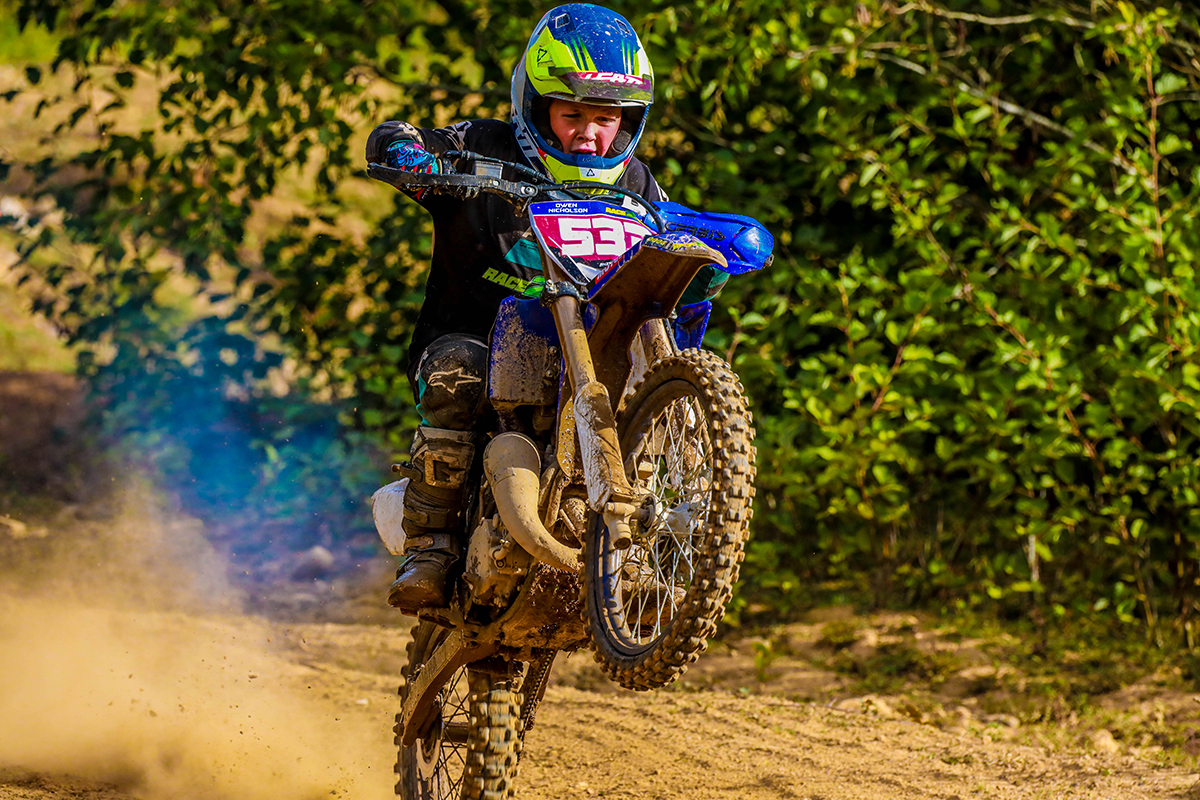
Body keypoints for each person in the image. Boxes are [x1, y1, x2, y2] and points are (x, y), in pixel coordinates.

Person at [365, 4, 719, 613]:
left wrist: (704, 251)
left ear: (629, 121)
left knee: (656, 368)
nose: (589, 134)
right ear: (535, 106)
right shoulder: (484, 145)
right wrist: (410, 155)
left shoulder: (636, 183)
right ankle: (431, 545)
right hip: (475, 338)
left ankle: (664, 545)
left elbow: (674, 234)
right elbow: (398, 141)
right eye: (572, 114)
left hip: (589, 350)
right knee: (458, 372)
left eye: (606, 119)